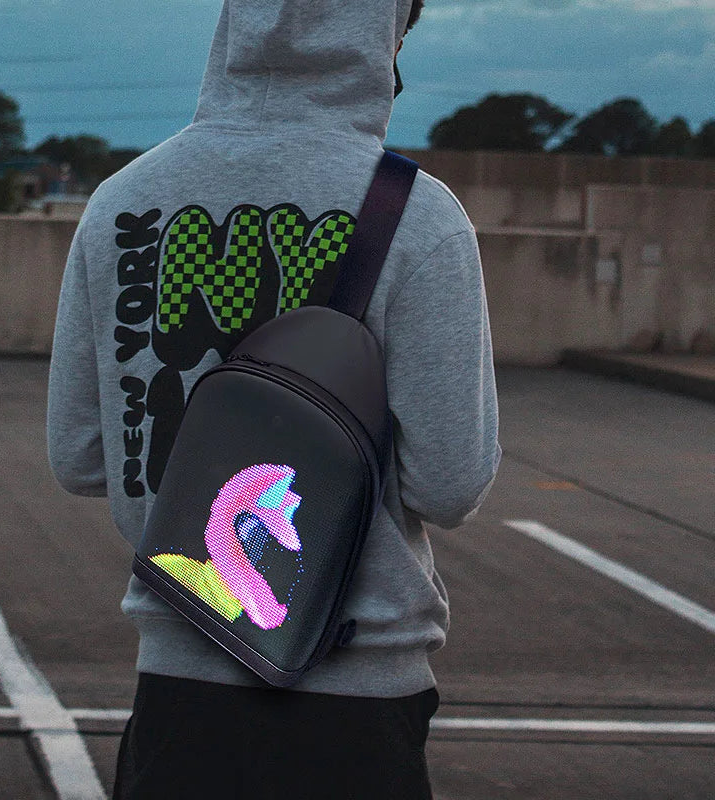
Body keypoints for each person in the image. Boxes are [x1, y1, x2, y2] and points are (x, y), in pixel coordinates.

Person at [47, 0, 501, 797]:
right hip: (357, 699)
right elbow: (449, 483)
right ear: (384, 29)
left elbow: (81, 458)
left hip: (179, 687)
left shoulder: (123, 200)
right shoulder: (419, 217)